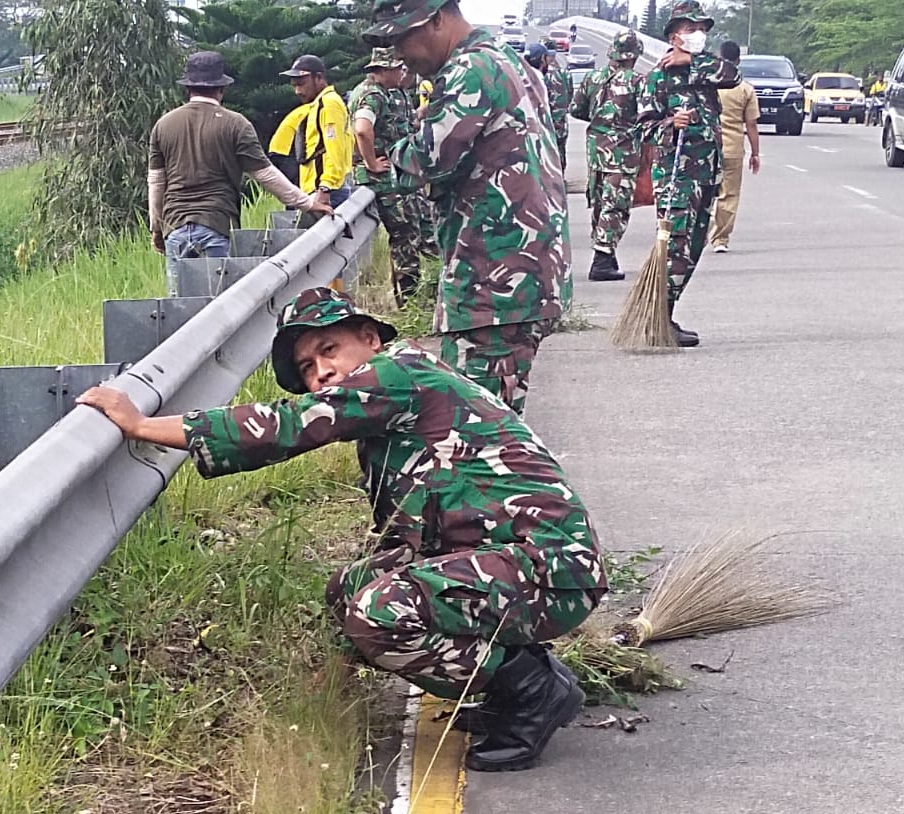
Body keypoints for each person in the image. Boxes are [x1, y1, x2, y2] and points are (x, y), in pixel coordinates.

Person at [74, 288, 606, 773]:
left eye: (330, 350)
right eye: (307, 367)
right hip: (515, 563)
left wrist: (143, 425)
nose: (321, 372)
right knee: (348, 592)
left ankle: (530, 693)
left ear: (369, 338)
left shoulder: (397, 374)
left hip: (550, 569)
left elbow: (285, 424)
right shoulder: (392, 396)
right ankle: (518, 673)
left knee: (380, 614)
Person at [363, 0, 570, 416]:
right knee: (495, 422)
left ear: (438, 19)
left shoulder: (469, 69)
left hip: (494, 276)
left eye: (402, 37)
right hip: (521, 269)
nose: (399, 53)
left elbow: (427, 159)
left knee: (480, 430)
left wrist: (381, 162)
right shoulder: (507, 60)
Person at [149, 52, 331, 295]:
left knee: (180, 305)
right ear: (221, 88)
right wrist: (307, 203)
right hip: (216, 225)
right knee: (220, 302)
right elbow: (265, 175)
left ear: (188, 88)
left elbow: (156, 182)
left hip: (175, 228)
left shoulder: (163, 125)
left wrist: (156, 227)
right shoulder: (236, 124)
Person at [637, 0, 738, 347]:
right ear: (673, 35)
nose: (698, 35)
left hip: (705, 175)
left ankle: (666, 315)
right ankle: (657, 319)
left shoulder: (705, 71)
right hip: (676, 177)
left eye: (702, 30)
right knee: (674, 246)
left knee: (694, 246)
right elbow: (642, 129)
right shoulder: (658, 77)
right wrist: (669, 124)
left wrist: (693, 61)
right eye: (691, 29)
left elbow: (733, 74)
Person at [348, 47, 434, 305]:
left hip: (401, 179)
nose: (402, 73)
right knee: (405, 238)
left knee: (422, 233)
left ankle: (420, 296)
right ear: (383, 70)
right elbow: (362, 130)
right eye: (398, 69)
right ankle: (409, 302)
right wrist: (372, 163)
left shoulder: (391, 93)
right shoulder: (372, 95)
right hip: (385, 181)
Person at [570, 28, 643, 281]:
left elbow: (576, 109)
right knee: (616, 206)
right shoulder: (637, 82)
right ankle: (602, 260)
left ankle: (607, 257)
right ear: (634, 55)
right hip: (622, 153)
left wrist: (600, 120)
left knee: (601, 204)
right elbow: (648, 115)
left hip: (596, 151)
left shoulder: (593, 77)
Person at [280, 54, 355, 226]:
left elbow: (334, 149)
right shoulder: (319, 104)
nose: (298, 91)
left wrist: (325, 188)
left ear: (319, 78)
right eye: (294, 86)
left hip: (325, 192)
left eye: (301, 84)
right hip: (317, 189)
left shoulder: (328, 104)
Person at [710, 40, 761, 253]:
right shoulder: (745, 89)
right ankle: (720, 240)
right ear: (738, 61)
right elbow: (751, 124)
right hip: (732, 148)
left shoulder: (708, 84)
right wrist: (755, 153)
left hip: (707, 146)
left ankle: (696, 235)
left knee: (704, 193)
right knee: (728, 195)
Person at [527, 39, 574, 172]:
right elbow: (570, 96)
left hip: (540, 124)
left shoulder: (535, 74)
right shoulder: (564, 74)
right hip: (560, 124)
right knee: (559, 155)